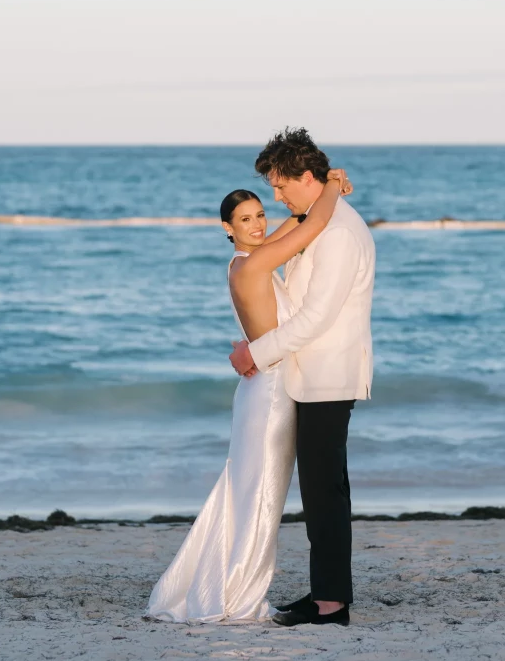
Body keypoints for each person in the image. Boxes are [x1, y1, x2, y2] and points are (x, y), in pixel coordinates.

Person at [145, 165, 352, 623]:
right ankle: (234, 594)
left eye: (260, 214)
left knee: (245, 492)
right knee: (259, 498)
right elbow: (313, 224)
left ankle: (218, 583)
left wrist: (308, 202)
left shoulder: (245, 259)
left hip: (261, 390)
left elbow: (295, 224)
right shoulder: (256, 263)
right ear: (226, 228)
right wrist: (333, 186)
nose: (258, 224)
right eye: (246, 220)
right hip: (272, 394)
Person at [228, 127, 376, 628]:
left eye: (279, 185)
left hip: (327, 377)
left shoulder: (336, 233)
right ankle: (327, 594)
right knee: (323, 491)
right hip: (312, 374)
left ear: (305, 177)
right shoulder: (320, 219)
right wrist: (331, 187)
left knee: (323, 493)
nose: (276, 195)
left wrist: (257, 353)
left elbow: (316, 318)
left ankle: (331, 606)